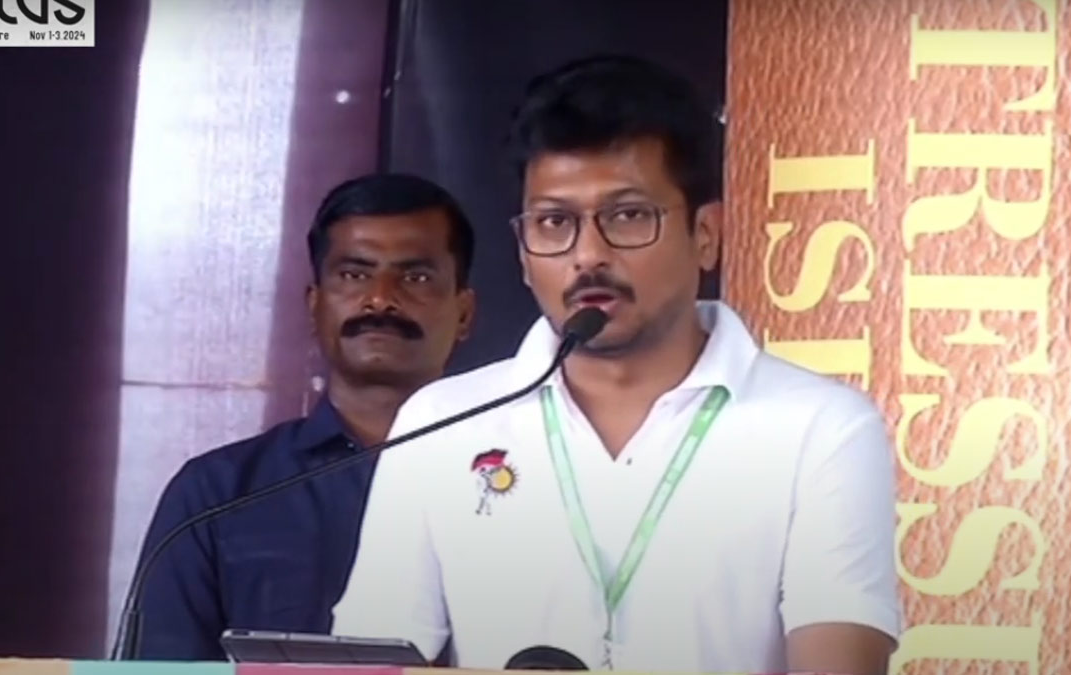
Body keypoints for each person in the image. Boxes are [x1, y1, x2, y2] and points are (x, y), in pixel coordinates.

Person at [330, 56, 900, 674]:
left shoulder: (820, 426)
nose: (588, 255)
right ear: (523, 251)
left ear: (706, 233)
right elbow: (371, 661)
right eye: (554, 223)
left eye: (628, 216)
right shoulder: (444, 420)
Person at [132, 173, 476, 660]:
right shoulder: (218, 494)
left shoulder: (518, 481)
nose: (381, 298)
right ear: (315, 305)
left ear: (464, 313)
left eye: (415, 276)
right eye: (354, 275)